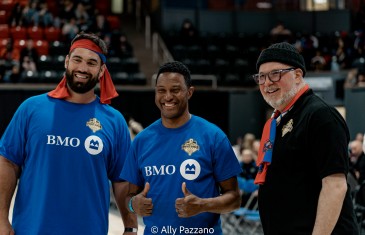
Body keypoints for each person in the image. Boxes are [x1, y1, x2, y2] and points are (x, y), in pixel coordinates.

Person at [0, 32, 137, 234]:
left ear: (102, 70)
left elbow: (123, 180)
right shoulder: (31, 109)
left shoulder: (114, 121)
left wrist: (131, 227)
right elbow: (8, 162)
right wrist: (2, 219)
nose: (82, 68)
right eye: (77, 59)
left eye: (92, 62)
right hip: (32, 229)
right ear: (66, 61)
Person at [120, 61, 242, 234]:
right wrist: (134, 204)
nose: (167, 96)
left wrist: (202, 205)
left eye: (175, 90)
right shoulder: (141, 141)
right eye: (161, 90)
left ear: (189, 92)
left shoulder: (213, 136)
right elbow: (130, 196)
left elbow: (235, 198)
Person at [252, 42, 359, 234]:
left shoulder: (320, 115)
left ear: (298, 75)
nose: (267, 82)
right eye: (261, 77)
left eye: (275, 74)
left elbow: (334, 185)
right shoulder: (278, 121)